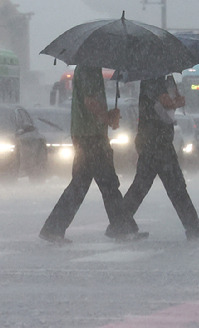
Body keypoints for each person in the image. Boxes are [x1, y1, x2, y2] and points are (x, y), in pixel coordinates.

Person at [39, 65, 148, 243]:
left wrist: (108, 116)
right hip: (91, 136)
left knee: (83, 184)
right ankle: (122, 228)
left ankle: (54, 228)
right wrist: (106, 117)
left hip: (88, 135)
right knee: (107, 184)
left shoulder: (89, 69)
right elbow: (90, 102)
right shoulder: (88, 70)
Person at [122, 75, 199, 240]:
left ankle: (119, 224)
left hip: (155, 140)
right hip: (155, 142)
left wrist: (175, 98)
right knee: (173, 185)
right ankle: (192, 226)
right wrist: (177, 103)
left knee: (146, 185)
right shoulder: (154, 78)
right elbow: (165, 101)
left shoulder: (160, 77)